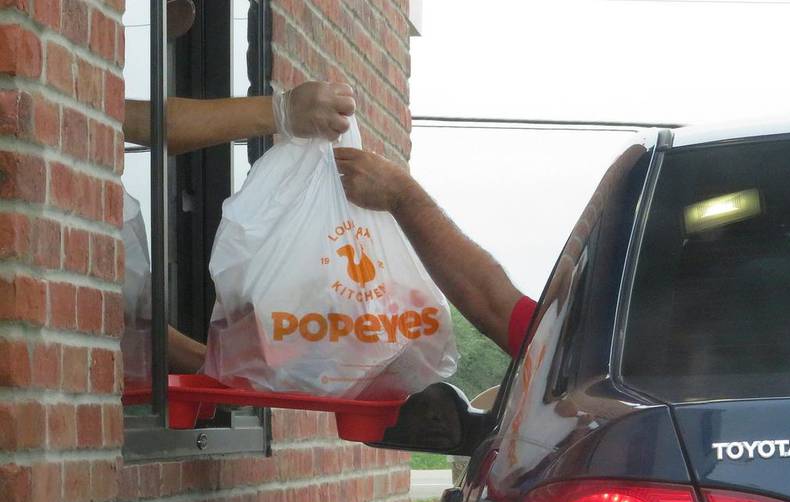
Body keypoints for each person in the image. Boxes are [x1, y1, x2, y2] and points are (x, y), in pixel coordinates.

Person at [121, 0, 356, 377]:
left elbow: (136, 329)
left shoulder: (109, 203)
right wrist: (281, 112)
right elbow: (149, 123)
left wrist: (238, 371)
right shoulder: (64, 105)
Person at [333, 148, 537, 358]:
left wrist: (400, 194)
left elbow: (493, 306)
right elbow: (497, 308)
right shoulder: (559, 342)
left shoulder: (562, 349)